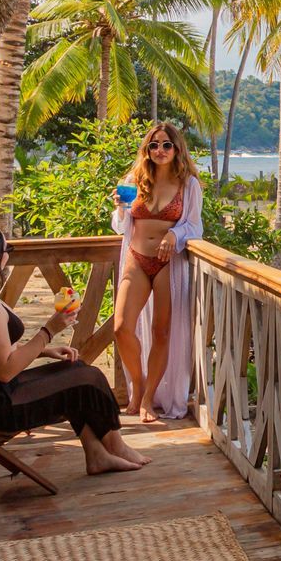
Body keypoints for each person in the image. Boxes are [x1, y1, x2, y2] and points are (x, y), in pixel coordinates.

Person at [0, 225, 148, 475]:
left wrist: (44, 351)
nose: (9, 254)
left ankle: (97, 454)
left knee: (76, 370)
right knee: (87, 378)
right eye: (7, 249)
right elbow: (5, 370)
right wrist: (49, 329)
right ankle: (115, 446)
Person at [111, 122, 205, 422]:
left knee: (161, 332)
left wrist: (174, 236)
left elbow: (194, 225)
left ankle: (148, 399)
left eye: (166, 144)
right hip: (137, 259)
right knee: (121, 327)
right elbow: (121, 225)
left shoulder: (188, 184)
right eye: (154, 145)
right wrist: (121, 209)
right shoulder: (135, 179)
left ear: (177, 149)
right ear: (147, 150)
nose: (160, 150)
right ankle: (137, 384)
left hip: (168, 263)